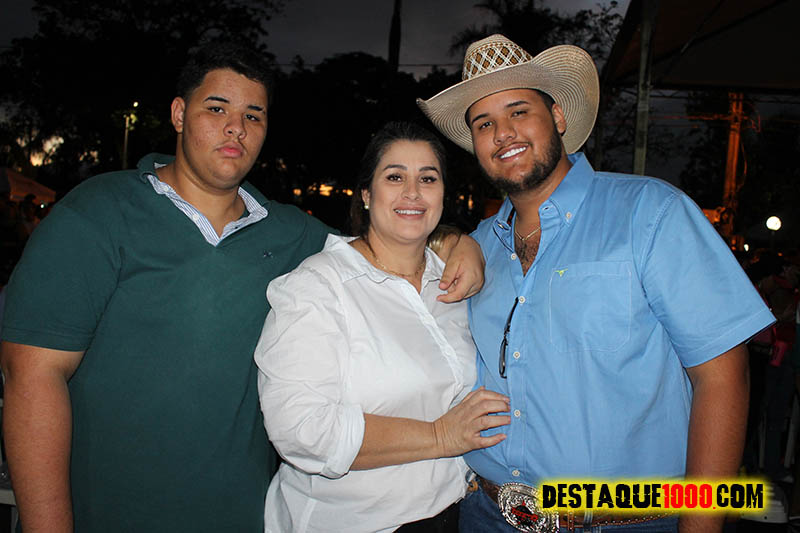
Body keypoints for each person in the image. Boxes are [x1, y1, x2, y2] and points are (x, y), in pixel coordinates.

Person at [0, 44, 484, 532]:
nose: (236, 127)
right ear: (178, 114)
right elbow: (32, 378)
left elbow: (387, 238)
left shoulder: (289, 232)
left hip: (241, 513)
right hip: (106, 512)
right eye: (217, 109)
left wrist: (457, 241)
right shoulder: (98, 214)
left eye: (253, 115)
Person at [417, 34, 776, 532]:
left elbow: (722, 375)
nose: (503, 133)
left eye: (519, 111)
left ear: (558, 117)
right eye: (484, 123)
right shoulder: (479, 246)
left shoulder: (650, 213)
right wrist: (451, 237)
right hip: (488, 513)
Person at [254, 121, 510, 532]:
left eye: (428, 178)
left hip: (454, 514)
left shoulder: (453, 283)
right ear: (367, 194)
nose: (413, 192)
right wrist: (440, 436)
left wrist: (460, 242)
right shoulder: (318, 287)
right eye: (394, 177)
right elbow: (299, 428)